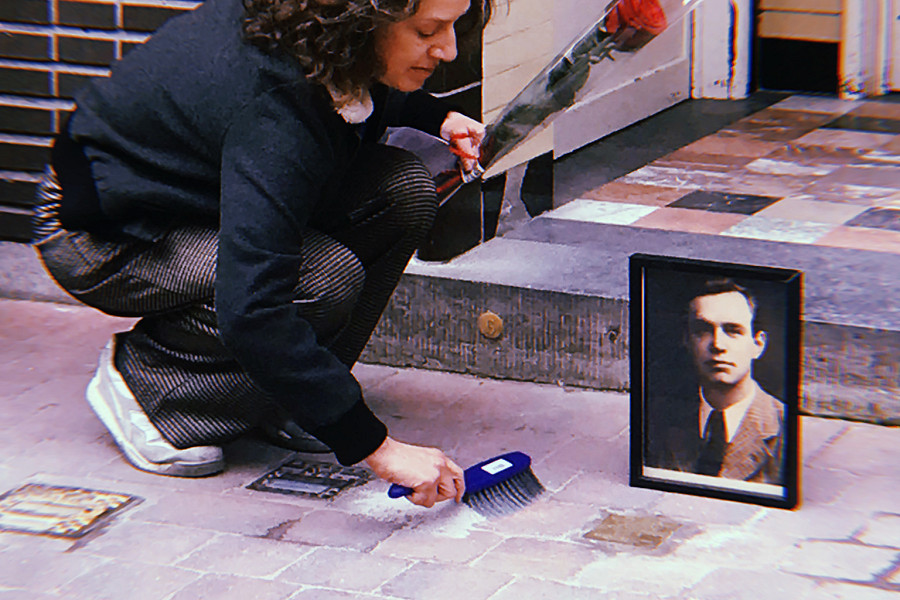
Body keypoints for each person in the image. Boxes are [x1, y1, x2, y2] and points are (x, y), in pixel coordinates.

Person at [32, 0, 491, 509]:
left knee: (403, 189)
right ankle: (150, 390)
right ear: (361, 21)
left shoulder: (317, 33)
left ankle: (287, 398)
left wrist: (437, 116)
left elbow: (359, 88)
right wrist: (375, 447)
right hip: (100, 230)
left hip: (197, 192)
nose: (449, 50)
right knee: (316, 278)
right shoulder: (276, 108)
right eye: (428, 30)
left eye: (454, 25)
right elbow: (255, 308)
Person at [645, 279, 785, 484]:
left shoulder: (784, 426)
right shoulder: (658, 418)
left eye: (733, 330)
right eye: (702, 330)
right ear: (687, 340)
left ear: (758, 344)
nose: (718, 344)